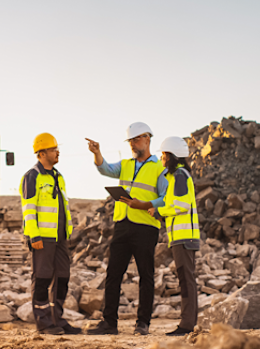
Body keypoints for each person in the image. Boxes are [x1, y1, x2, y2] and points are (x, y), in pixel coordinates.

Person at [85, 122, 167, 336]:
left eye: (136, 139)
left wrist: (147, 205)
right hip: (122, 225)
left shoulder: (160, 168)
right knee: (113, 274)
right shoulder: (126, 164)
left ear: (147, 139)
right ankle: (109, 323)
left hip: (146, 228)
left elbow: (165, 198)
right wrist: (97, 153)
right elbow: (105, 169)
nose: (132, 144)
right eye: (130, 140)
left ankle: (143, 324)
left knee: (145, 276)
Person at [20, 133, 80, 335]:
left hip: (60, 238)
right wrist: (33, 235)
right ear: (42, 153)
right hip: (42, 238)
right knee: (43, 278)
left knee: (63, 277)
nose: (58, 152)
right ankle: (44, 323)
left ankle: (58, 320)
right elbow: (29, 208)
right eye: (54, 149)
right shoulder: (32, 176)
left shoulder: (58, 176)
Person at [147, 136, 200, 336]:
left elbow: (181, 206)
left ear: (171, 156)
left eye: (163, 155)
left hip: (184, 237)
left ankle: (186, 325)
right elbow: (176, 206)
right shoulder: (177, 176)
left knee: (186, 280)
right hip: (181, 237)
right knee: (186, 279)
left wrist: (160, 212)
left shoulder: (179, 175)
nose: (161, 159)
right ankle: (188, 323)